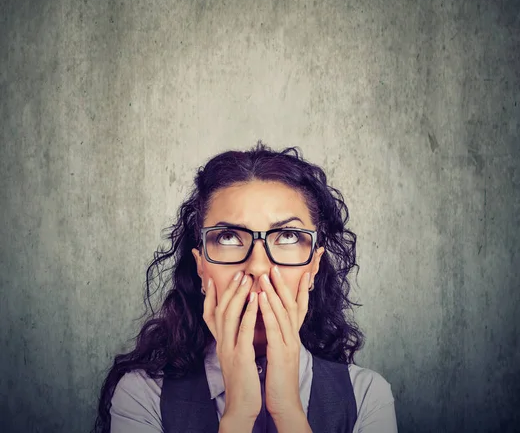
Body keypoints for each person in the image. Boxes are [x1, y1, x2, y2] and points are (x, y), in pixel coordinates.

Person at [92, 142, 398, 433]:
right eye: (228, 237)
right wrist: (239, 414)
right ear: (201, 266)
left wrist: (288, 411)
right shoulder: (143, 396)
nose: (258, 266)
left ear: (315, 265)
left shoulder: (366, 396)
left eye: (288, 236)